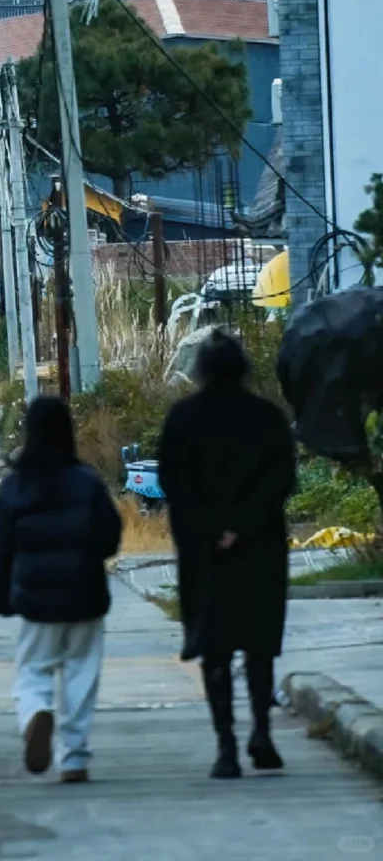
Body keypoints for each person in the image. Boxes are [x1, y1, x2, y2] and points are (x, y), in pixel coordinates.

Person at [158, 328, 296, 780]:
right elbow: (281, 481)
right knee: (259, 646)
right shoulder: (267, 418)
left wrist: (211, 529)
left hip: (203, 552)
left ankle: (226, 747)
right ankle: (262, 734)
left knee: (214, 647)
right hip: (260, 548)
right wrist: (241, 525)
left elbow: (173, 482)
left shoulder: (182, 419)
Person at [0, 396, 122, 784]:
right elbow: (110, 538)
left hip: (35, 598)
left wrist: (3, 597)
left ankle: (35, 714)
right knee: (82, 671)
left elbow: (2, 550)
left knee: (33, 669)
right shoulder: (88, 482)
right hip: (85, 593)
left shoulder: (14, 488)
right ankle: (74, 757)